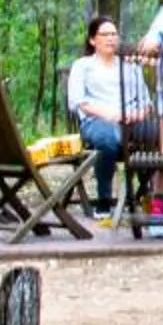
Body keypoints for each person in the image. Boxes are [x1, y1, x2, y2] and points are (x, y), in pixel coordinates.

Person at [66, 17, 150, 221]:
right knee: (106, 138)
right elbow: (77, 101)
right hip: (97, 120)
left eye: (114, 34)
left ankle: (150, 194)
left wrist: (137, 115)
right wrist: (108, 115)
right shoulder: (83, 66)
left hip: (131, 120)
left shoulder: (130, 66)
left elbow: (146, 102)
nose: (111, 38)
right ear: (92, 40)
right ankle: (104, 201)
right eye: (105, 34)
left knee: (159, 132)